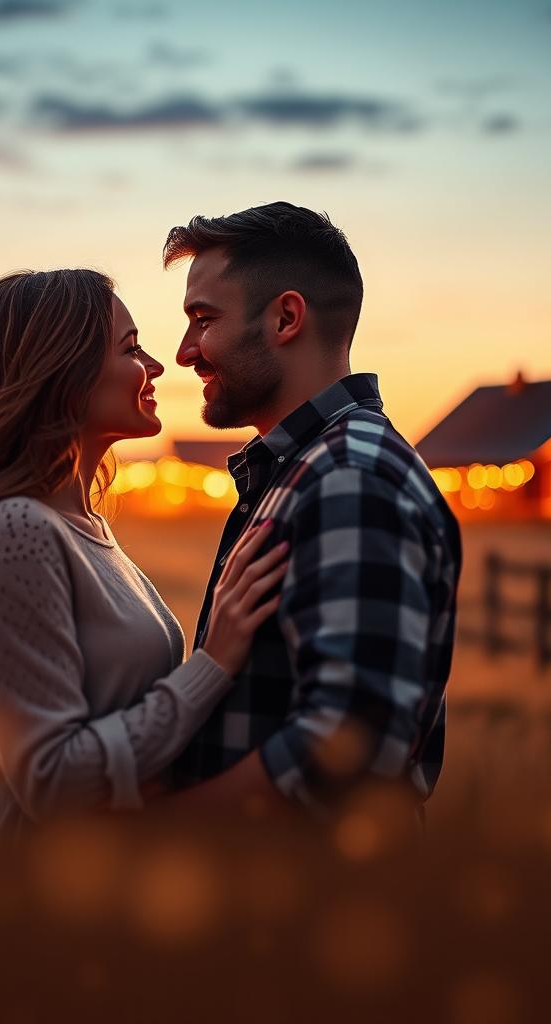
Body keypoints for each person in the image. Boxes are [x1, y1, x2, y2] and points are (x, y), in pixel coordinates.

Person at [0, 269, 288, 860]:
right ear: (64, 372)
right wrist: (214, 664)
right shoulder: (14, 532)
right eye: (131, 349)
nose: (157, 366)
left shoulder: (82, 527)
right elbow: (54, 783)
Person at [159, 202, 462, 820]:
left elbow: (350, 746)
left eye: (203, 319)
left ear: (286, 318)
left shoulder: (349, 477)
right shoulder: (305, 468)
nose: (185, 351)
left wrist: (170, 829)